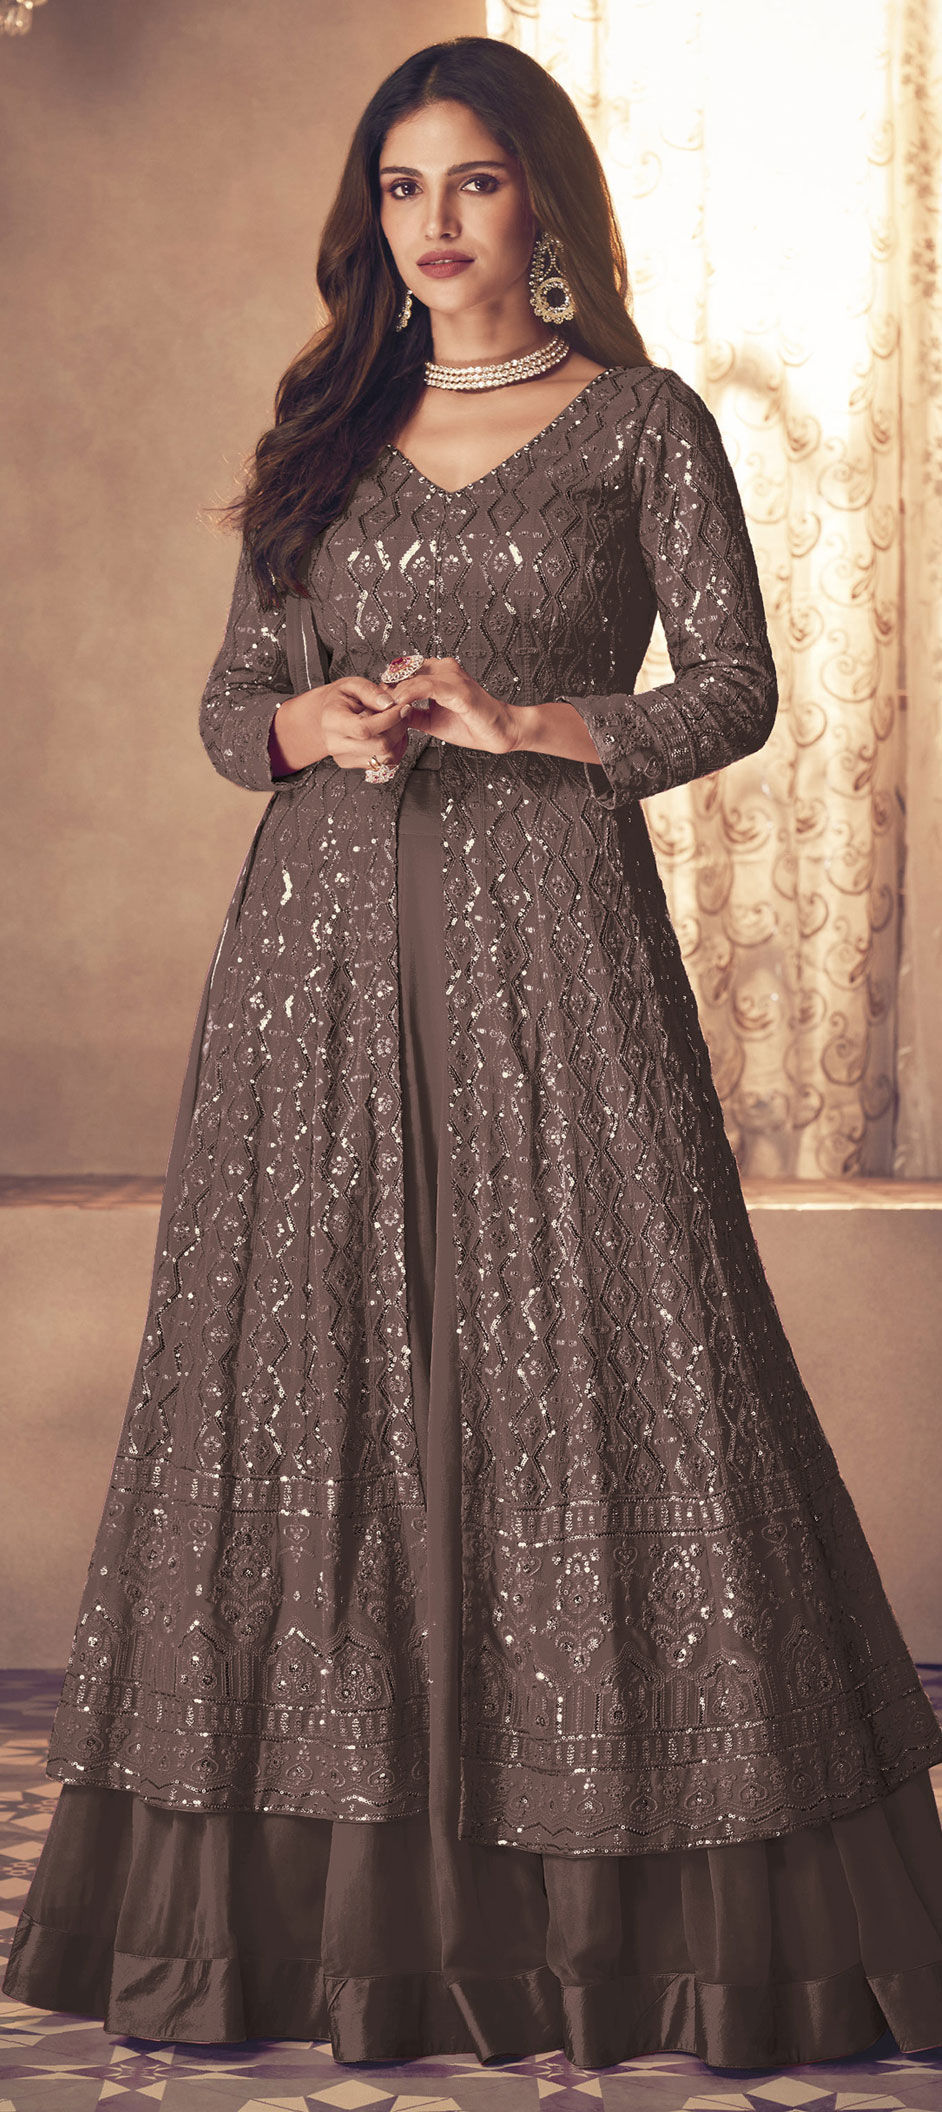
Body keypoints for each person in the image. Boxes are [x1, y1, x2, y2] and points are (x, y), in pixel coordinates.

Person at [5, 32, 942, 2078]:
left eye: (477, 184)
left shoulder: (641, 425)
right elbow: (228, 697)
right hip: (317, 966)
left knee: (612, 1366)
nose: (435, 227)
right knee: (308, 1387)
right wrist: (303, 727)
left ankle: (632, 1936)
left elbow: (741, 687)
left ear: (547, 205)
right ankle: (320, 1937)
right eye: (403, 189)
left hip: (554, 947)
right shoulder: (324, 435)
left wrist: (533, 726)